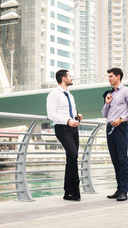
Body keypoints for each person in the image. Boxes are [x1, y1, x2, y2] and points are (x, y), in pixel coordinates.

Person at [102, 67, 128, 201]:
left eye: (111, 76)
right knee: (115, 160)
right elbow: (105, 114)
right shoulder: (109, 94)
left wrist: (121, 119)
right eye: (108, 76)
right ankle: (119, 189)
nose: (109, 78)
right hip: (109, 128)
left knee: (122, 159)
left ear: (118, 77)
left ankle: (124, 190)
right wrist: (107, 103)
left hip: (121, 127)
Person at [46, 69, 83, 201]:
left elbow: (70, 113)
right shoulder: (54, 94)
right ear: (63, 78)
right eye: (70, 76)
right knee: (72, 155)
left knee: (72, 158)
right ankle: (74, 190)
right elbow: (51, 114)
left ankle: (68, 192)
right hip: (62, 128)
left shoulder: (70, 96)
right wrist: (67, 121)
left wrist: (77, 117)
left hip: (73, 128)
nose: (71, 78)